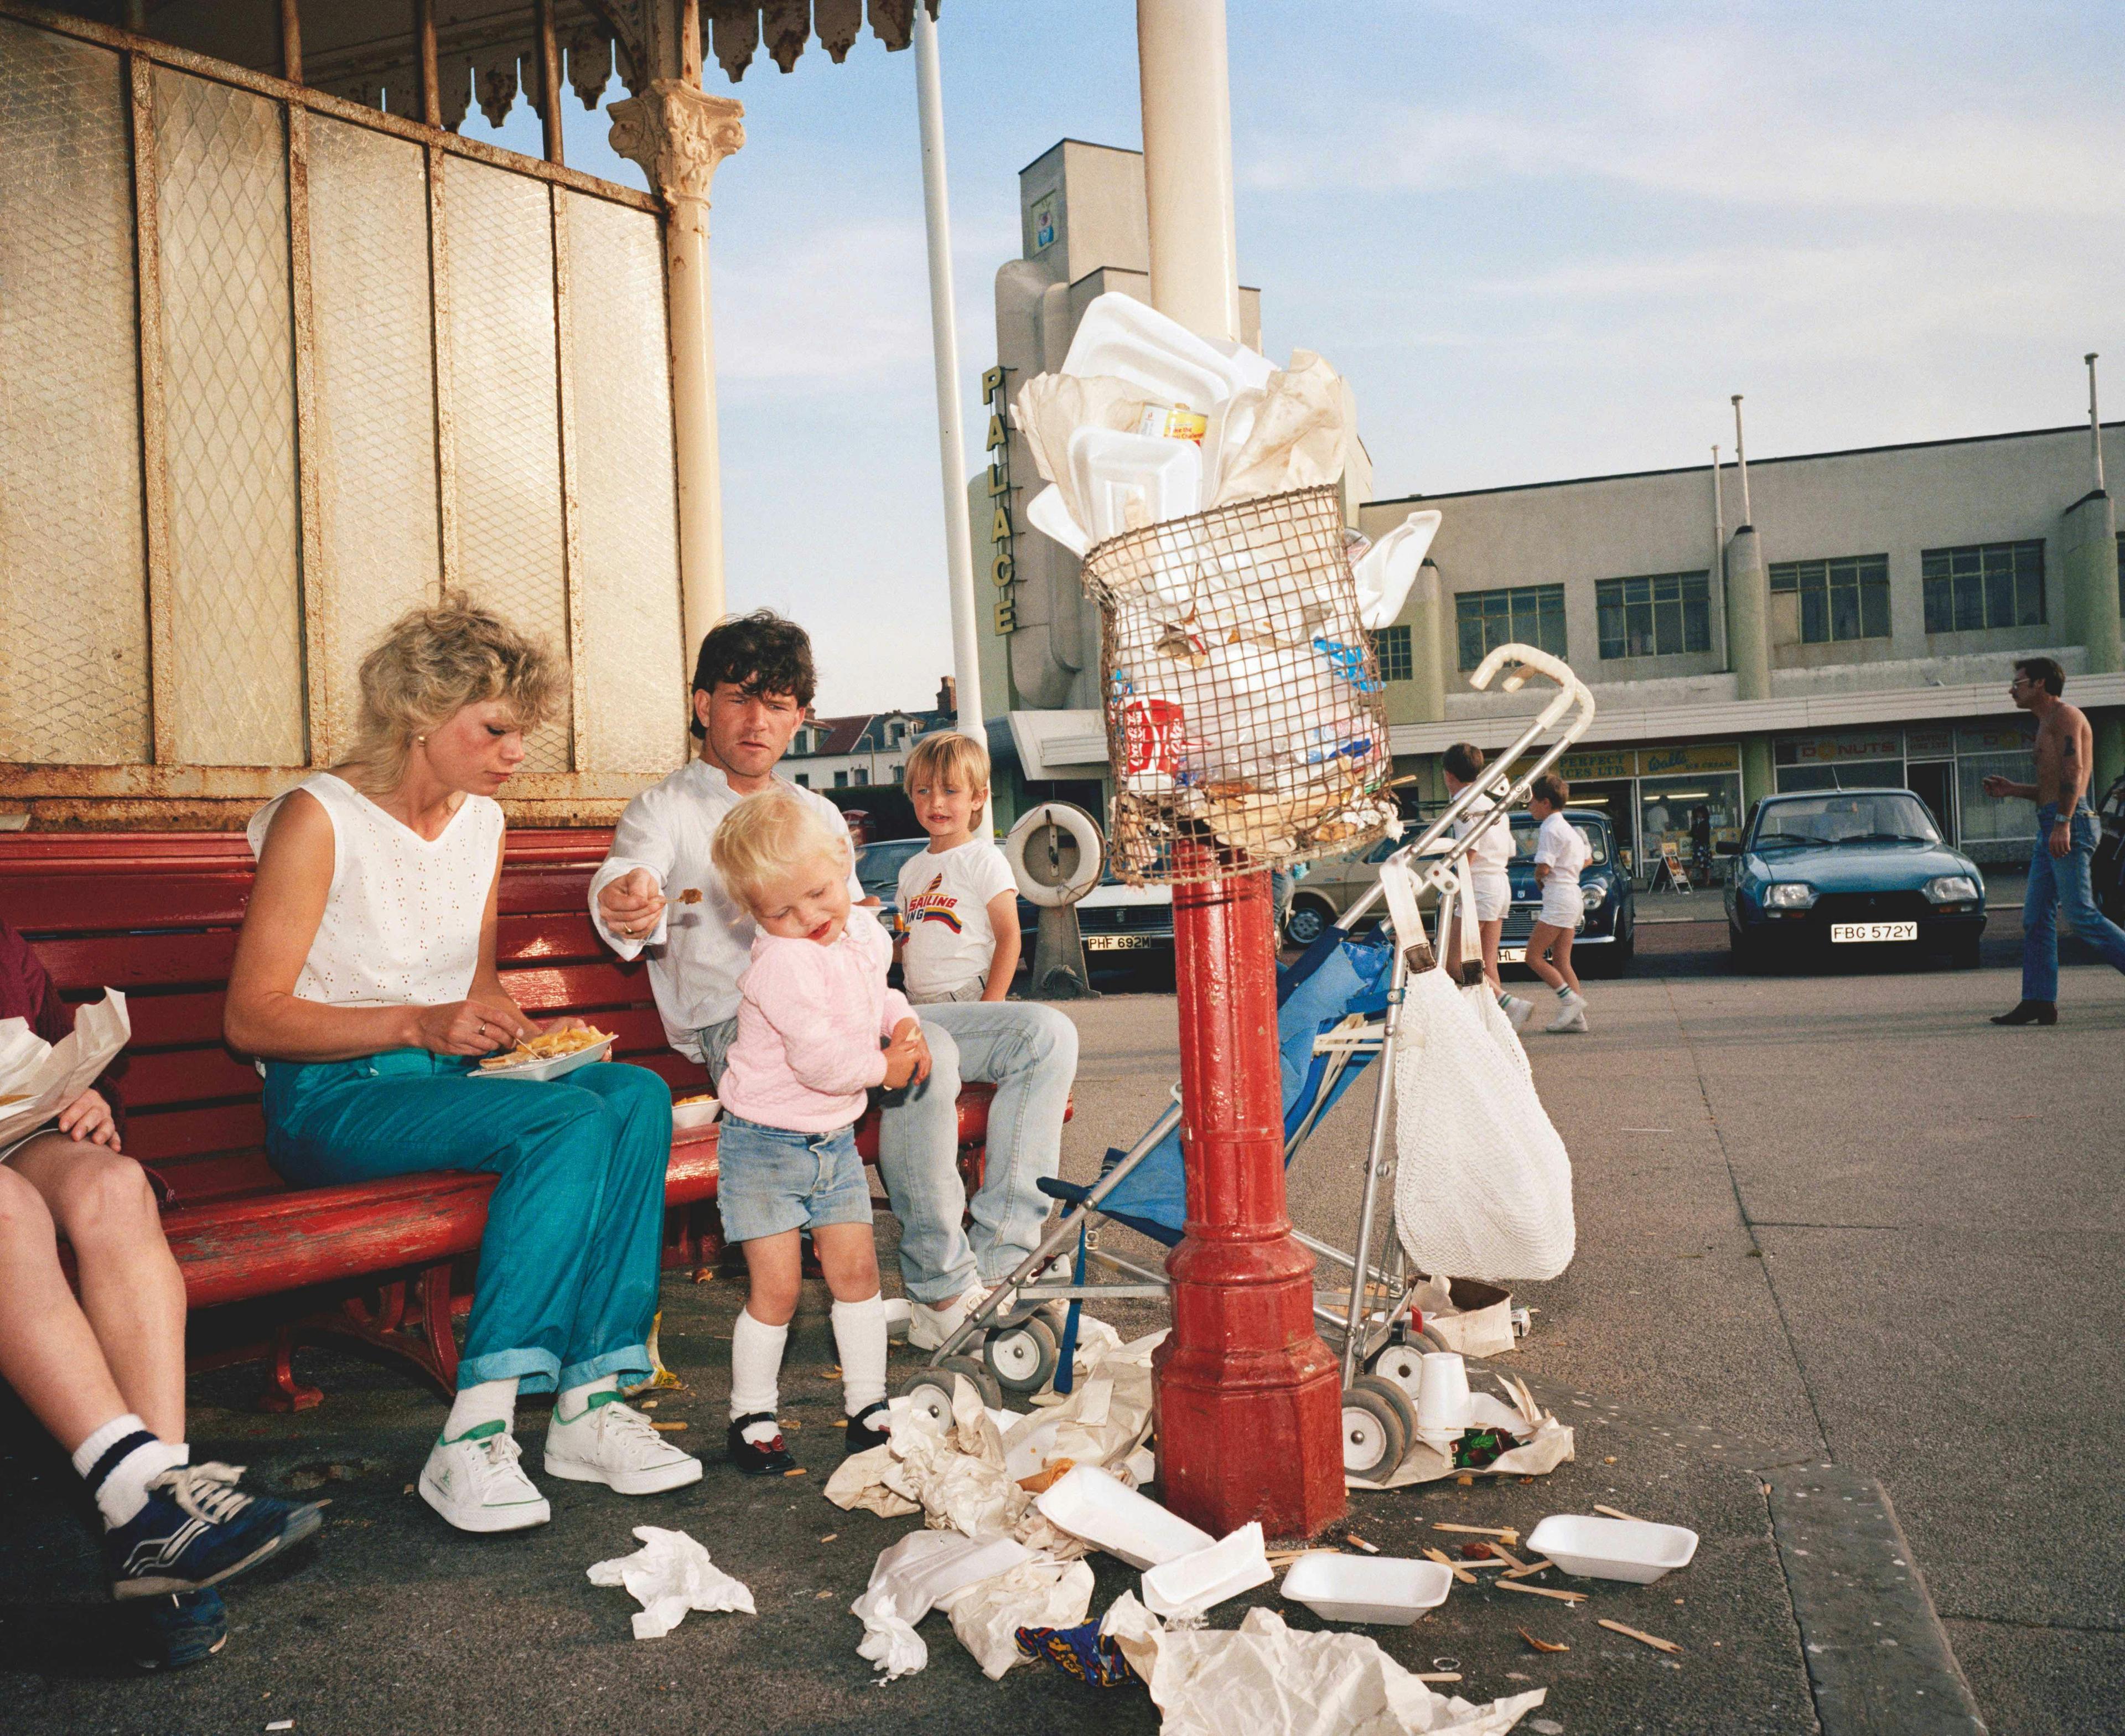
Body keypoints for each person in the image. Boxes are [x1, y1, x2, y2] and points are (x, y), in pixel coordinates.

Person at [227, 595, 697, 1536]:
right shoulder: (319, 818)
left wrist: (501, 1026)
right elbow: (251, 1018)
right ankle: (474, 1433)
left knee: (635, 1093)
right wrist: (418, 1022)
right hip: (334, 1102)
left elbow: (469, 988)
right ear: (419, 716)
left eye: (521, 732)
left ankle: (589, 1405)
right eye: (496, 730)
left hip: (445, 1090)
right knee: (570, 1121)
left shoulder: (481, 824)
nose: (515, 753)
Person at [591, 614, 1078, 1351]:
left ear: (799, 717)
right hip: (747, 1028)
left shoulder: (815, 812)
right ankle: (942, 1289)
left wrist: (891, 1008)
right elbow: (632, 874)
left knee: (1043, 1034)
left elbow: (850, 933)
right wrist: (625, 898)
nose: (759, 721)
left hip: (850, 1011)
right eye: (739, 699)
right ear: (703, 706)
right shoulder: (667, 810)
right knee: (931, 1057)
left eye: (779, 704)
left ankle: (1003, 1261)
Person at [0, 919, 320, 1670]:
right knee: (7, 1210)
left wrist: (83, 1098)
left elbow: (49, 1051)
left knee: (114, 1186)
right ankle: (146, 1506)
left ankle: (159, 1531)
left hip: (16, 1137)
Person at [709, 792, 914, 1474]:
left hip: (830, 1139)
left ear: (843, 865)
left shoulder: (852, 931)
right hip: (763, 1143)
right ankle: (751, 1412)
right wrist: (887, 1067)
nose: (806, 920)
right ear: (752, 915)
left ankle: (868, 1403)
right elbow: (822, 1060)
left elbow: (870, 993)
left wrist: (901, 1020)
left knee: (857, 1272)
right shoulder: (782, 962)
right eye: (779, 912)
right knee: (780, 1289)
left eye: (819, 895)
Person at [1982, 656, 2125, 1025]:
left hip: (2069, 824)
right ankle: (2039, 1000)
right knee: (2035, 917)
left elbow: (2074, 773)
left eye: (2018, 682)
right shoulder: (2044, 722)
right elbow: (2051, 788)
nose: (2012, 688)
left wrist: (2062, 822)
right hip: (2052, 822)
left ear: (2040, 684)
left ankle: (2039, 998)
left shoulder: (2065, 716)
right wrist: (2014, 790)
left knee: (2081, 915)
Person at [1440, 743, 1536, 1031]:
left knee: (1453, 963)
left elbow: (1469, 852)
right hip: (1499, 882)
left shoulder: (1465, 806)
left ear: (1448, 776)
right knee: (1487, 962)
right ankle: (1497, 1024)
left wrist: (1452, 885)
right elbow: (1508, 849)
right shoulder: (1492, 805)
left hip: (1478, 885)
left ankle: (1508, 1004)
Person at [1525, 773, 1592, 1033]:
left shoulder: (1550, 828)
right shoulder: (1569, 829)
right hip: (1573, 895)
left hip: (1559, 897)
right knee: (1562, 961)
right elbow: (1585, 860)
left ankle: (1570, 1001)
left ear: (1546, 803)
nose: (1530, 806)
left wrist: (1539, 880)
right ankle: (1578, 1020)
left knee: (1533, 956)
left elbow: (1543, 868)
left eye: (1532, 802)